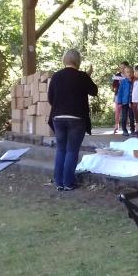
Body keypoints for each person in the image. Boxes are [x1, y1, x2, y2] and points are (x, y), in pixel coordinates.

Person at [47, 49, 97, 191]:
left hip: (58, 117)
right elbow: (94, 91)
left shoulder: (56, 76)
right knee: (72, 151)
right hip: (77, 117)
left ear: (64, 60)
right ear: (78, 61)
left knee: (61, 149)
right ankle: (68, 183)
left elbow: (50, 98)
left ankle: (59, 182)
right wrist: (88, 76)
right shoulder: (82, 76)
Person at [111, 61, 129, 134]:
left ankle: (125, 126)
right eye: (120, 68)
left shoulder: (128, 75)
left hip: (127, 95)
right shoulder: (117, 75)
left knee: (125, 111)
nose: (121, 69)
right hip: (118, 95)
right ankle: (116, 125)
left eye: (123, 67)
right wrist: (114, 88)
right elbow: (114, 85)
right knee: (117, 110)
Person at [117, 65, 134, 136]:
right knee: (124, 117)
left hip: (132, 102)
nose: (129, 73)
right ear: (124, 74)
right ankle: (124, 130)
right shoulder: (123, 82)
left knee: (132, 117)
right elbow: (120, 93)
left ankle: (132, 130)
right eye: (127, 72)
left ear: (133, 73)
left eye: (130, 72)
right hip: (124, 102)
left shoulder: (134, 81)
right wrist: (119, 102)